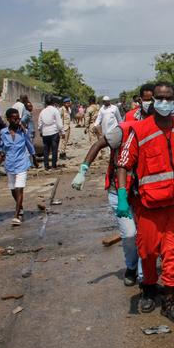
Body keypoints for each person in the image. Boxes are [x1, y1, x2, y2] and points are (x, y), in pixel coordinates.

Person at [116, 82, 174, 324]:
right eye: (159, 98)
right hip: (148, 207)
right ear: (152, 102)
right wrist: (121, 197)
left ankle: (169, 300)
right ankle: (149, 289)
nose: (164, 102)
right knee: (148, 252)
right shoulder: (139, 131)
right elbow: (123, 164)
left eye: (168, 98)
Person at [71, 111, 144, 287]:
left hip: (143, 192)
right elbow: (98, 145)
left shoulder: (156, 131)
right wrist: (83, 170)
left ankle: (144, 275)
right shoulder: (123, 130)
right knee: (129, 233)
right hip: (118, 191)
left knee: (145, 234)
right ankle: (131, 267)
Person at [0, 108, 37, 226]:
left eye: (18, 118)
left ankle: (16, 215)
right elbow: (1, 147)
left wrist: (34, 158)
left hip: (22, 163)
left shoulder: (23, 132)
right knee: (13, 189)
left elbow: (29, 145)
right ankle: (20, 207)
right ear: (8, 119)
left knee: (19, 188)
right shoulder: (3, 133)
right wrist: (0, 154)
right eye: (14, 118)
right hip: (10, 164)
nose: (17, 121)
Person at [38, 96, 64, 170]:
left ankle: (46, 166)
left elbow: (40, 123)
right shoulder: (55, 111)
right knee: (54, 149)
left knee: (46, 150)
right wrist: (62, 132)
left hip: (45, 133)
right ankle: (53, 165)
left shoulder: (42, 112)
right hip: (54, 132)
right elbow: (59, 123)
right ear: (53, 102)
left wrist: (41, 131)